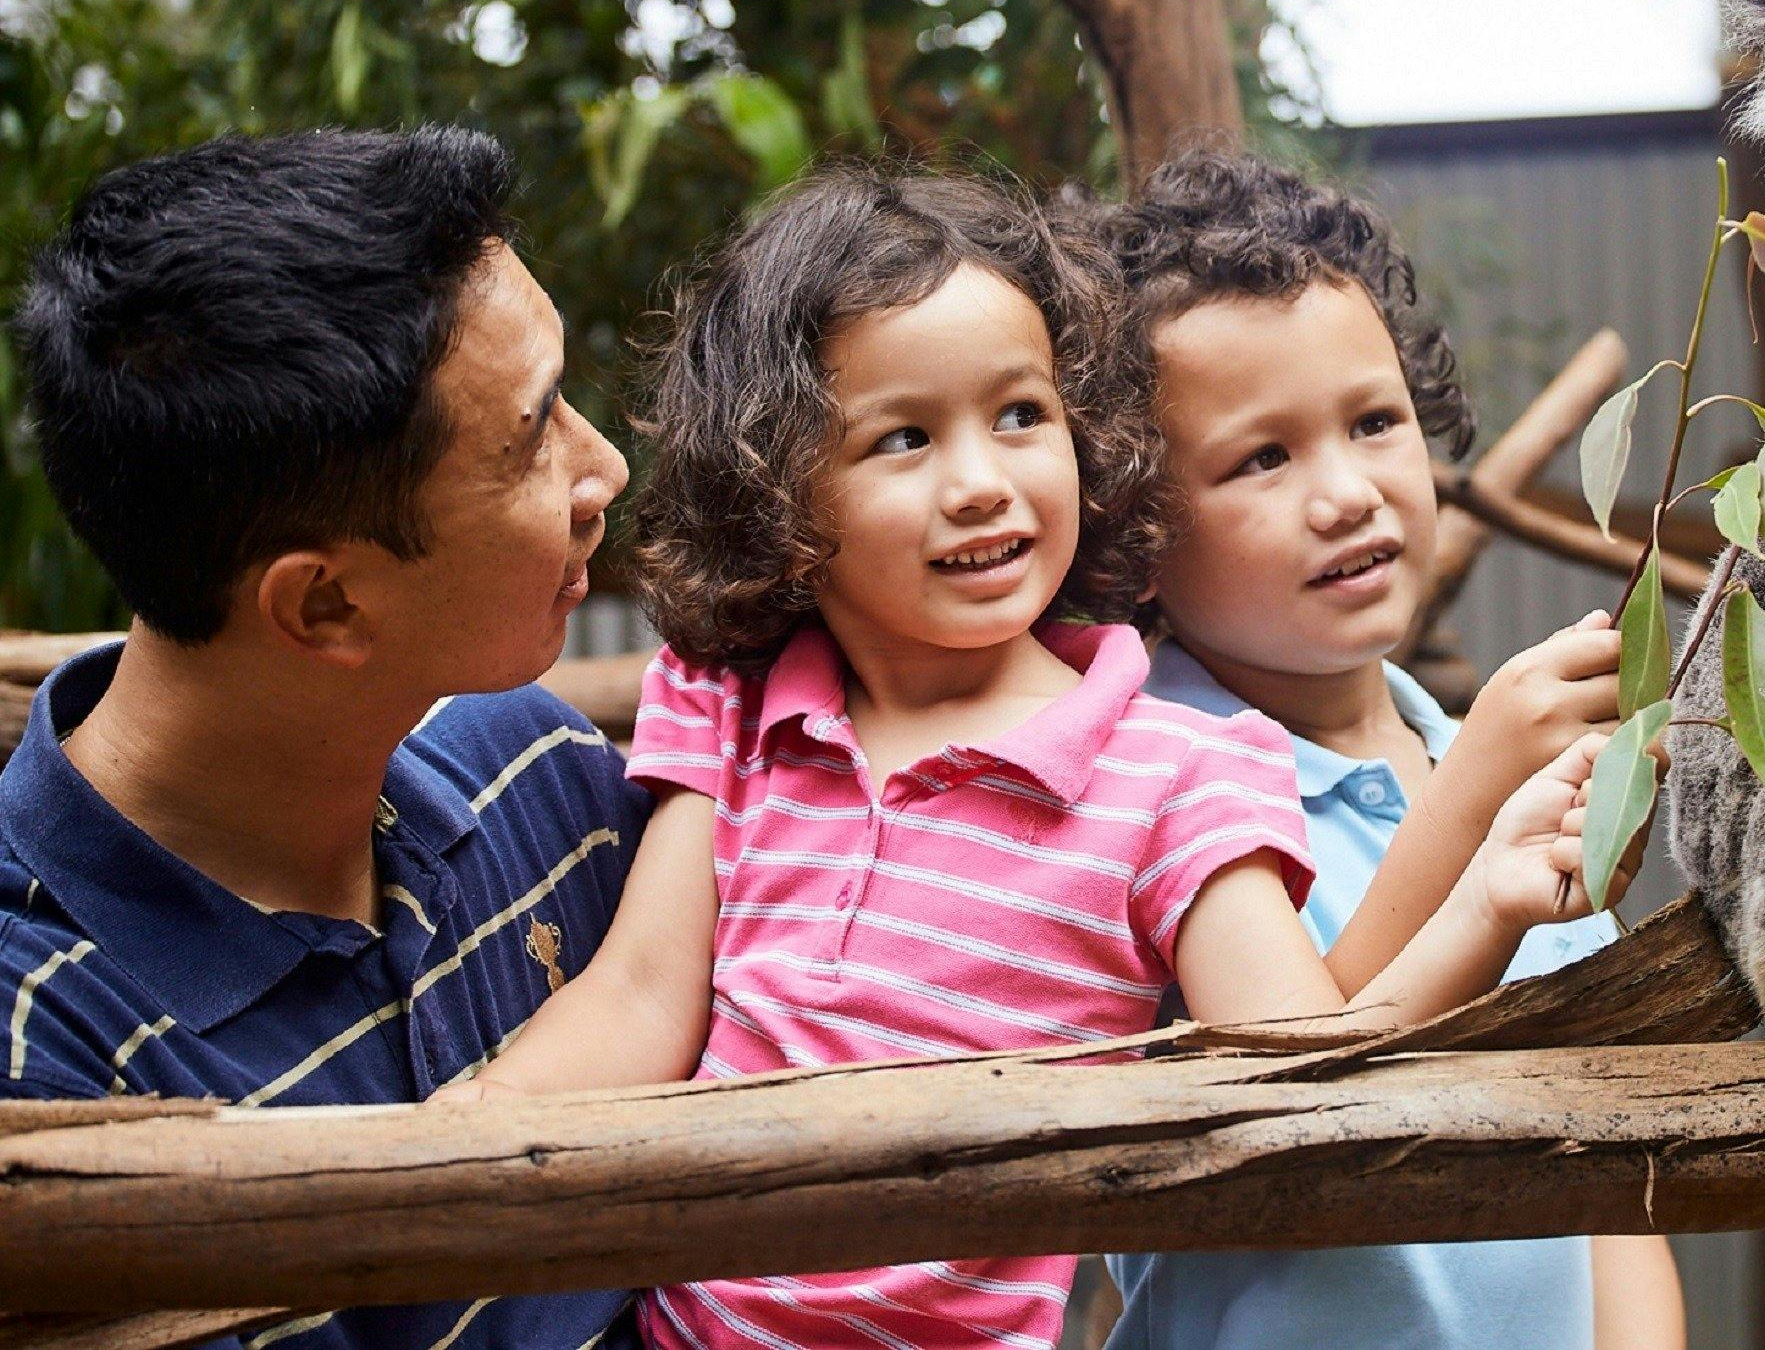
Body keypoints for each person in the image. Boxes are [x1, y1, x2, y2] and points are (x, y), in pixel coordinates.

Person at [445, 166, 1632, 1350]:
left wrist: (1484, 903)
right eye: (904, 437)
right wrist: (452, 1132)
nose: (981, 483)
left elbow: (1291, 1076)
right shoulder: (735, 709)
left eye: (1022, 416)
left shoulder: (1173, 773)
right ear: (777, 487)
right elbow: (645, 995)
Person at [0, 127, 645, 1349]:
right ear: (328, 604)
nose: (601, 467)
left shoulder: (540, 775)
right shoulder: (44, 1055)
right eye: (532, 437)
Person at [1090, 150, 1689, 1350]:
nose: (1348, 493)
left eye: (1374, 422)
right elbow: (1289, 1097)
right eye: (1264, 457)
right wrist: (1474, 797)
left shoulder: (1511, 771)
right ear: (1132, 523)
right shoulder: (1133, 777)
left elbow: (1614, 1179)